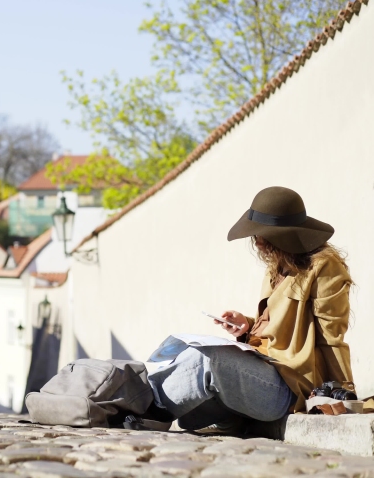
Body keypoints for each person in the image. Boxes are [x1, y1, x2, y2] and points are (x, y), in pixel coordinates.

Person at [145, 186, 354, 434]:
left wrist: (344, 392)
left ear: (286, 234)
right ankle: (142, 398)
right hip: (262, 371)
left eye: (264, 235)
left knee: (208, 359)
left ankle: (146, 409)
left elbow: (331, 337)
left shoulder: (324, 266)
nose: (259, 241)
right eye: (256, 235)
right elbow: (280, 327)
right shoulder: (276, 265)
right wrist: (247, 326)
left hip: (292, 385)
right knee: (189, 380)